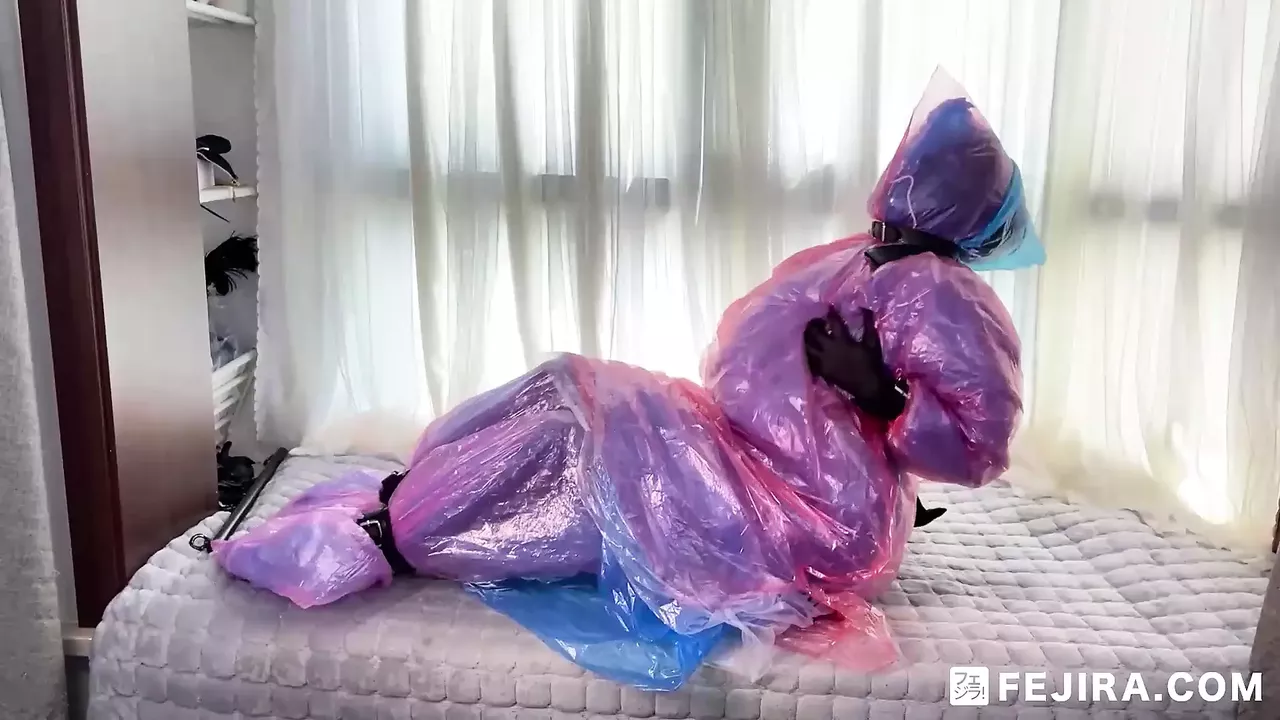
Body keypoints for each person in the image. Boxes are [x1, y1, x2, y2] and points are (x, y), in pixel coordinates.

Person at [802, 222, 960, 528]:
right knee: (871, 435)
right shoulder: (869, 272)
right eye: (882, 230)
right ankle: (901, 506)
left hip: (862, 386)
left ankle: (907, 506)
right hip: (831, 392)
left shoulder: (904, 280)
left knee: (886, 428)